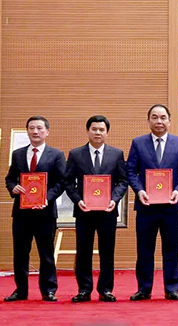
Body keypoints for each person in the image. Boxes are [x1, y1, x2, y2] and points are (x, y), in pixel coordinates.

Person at [126, 104, 178, 301]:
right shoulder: (138, 143)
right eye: (154, 117)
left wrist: (177, 191)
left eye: (163, 117)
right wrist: (140, 191)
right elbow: (130, 171)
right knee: (145, 249)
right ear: (148, 121)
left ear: (169, 121)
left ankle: (172, 288)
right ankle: (144, 288)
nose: (159, 121)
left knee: (171, 248)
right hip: (146, 206)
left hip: (171, 206)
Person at [4, 116, 68, 302]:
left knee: (46, 253)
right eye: (31, 128)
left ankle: (48, 290)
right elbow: (10, 178)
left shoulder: (56, 154)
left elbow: (62, 181)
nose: (35, 131)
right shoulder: (17, 154)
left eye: (39, 128)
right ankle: (20, 290)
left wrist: (47, 198)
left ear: (47, 132)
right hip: (22, 212)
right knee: (20, 253)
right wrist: (12, 187)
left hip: (45, 213)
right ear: (27, 131)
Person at [65, 115, 127, 303]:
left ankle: (105, 289)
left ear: (107, 132)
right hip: (84, 211)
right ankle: (84, 289)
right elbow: (68, 182)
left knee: (107, 251)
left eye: (101, 130)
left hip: (108, 211)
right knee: (83, 251)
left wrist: (115, 199)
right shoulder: (76, 154)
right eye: (94, 129)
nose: (98, 133)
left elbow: (122, 181)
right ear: (88, 131)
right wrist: (78, 200)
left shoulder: (116, 154)